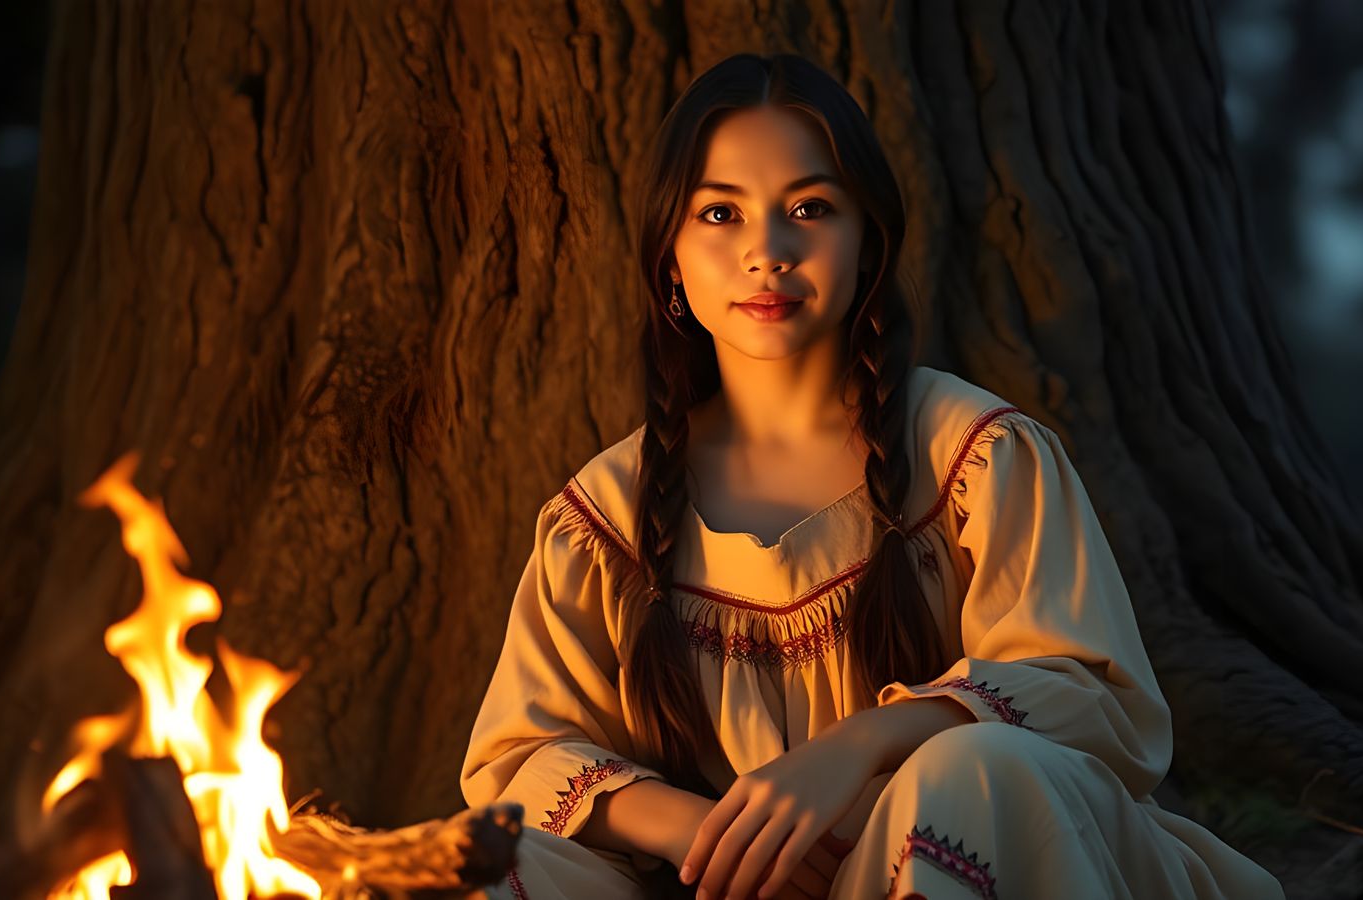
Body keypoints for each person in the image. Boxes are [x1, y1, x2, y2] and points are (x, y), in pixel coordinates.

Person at [460, 52, 1286, 900]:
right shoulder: (603, 518)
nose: (767, 252)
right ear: (669, 257)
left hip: (976, 851)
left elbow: (1093, 702)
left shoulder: (977, 456)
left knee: (980, 764)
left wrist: (860, 748)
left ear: (867, 243)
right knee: (493, 867)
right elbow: (518, 760)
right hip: (727, 885)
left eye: (810, 209)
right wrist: (705, 832)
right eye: (719, 213)